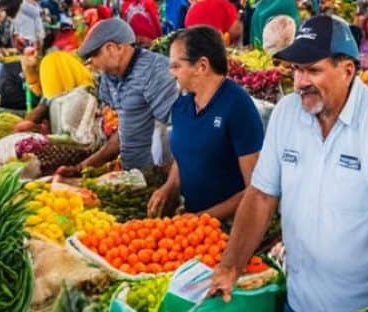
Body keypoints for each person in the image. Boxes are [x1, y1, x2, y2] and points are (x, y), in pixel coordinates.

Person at [208, 15, 368, 312]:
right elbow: (261, 196)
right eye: (296, 70)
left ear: (347, 70)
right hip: (298, 302)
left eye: (313, 70)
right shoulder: (286, 113)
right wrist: (231, 265)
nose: (300, 82)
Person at [149, 27, 265, 221]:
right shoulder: (182, 106)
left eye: (176, 66)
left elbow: (256, 189)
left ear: (202, 66)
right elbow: (183, 156)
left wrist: (203, 218)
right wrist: (169, 187)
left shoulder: (237, 106)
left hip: (228, 229)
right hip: (192, 224)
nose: (171, 73)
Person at [74, 18, 179, 171]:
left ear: (112, 49)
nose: (93, 65)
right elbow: (125, 131)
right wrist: (81, 167)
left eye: (93, 57)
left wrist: (169, 184)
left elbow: (184, 131)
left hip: (166, 173)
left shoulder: (157, 73)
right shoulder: (111, 77)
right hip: (139, 177)